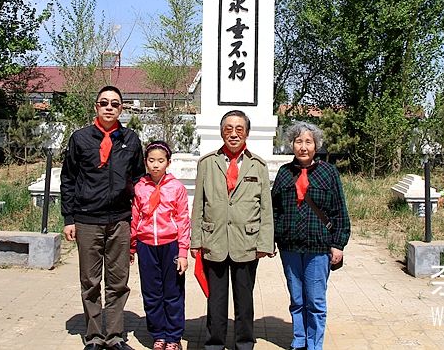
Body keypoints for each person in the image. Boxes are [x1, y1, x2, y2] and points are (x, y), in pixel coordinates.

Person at [61, 85, 145, 350]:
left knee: (118, 281)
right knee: (90, 280)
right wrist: (69, 218)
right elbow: (68, 179)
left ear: (122, 109)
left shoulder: (130, 140)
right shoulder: (80, 138)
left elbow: (139, 178)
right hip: (87, 219)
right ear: (96, 106)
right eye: (104, 103)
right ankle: (95, 336)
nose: (109, 107)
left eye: (115, 104)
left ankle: (115, 336)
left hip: (120, 219)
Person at [190, 110, 274, 350]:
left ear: (247, 132)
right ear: (221, 132)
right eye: (228, 128)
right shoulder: (207, 163)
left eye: (239, 129)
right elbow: (198, 205)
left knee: (244, 300)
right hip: (213, 240)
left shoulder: (258, 165)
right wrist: (196, 241)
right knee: (216, 300)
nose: (234, 134)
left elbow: (266, 208)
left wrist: (265, 244)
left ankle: (245, 343)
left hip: (246, 243)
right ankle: (214, 344)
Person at [271, 121, 351, 350]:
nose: (303, 147)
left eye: (308, 142)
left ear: (316, 145)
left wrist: (338, 243)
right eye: (298, 142)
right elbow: (275, 209)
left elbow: (339, 210)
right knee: (297, 299)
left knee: (315, 301)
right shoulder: (285, 173)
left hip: (319, 247)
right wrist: (273, 239)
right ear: (291, 145)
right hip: (290, 247)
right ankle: (299, 340)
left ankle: (315, 344)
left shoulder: (329, 173)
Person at [130, 140, 190, 350]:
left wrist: (183, 252)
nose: (156, 165)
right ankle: (158, 334)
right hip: (147, 246)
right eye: (152, 160)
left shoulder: (176, 187)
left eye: (161, 161)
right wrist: (132, 246)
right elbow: (135, 218)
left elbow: (183, 219)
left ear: (168, 162)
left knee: (173, 292)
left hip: (170, 244)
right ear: (146, 162)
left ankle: (173, 337)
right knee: (152, 292)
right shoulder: (139, 187)